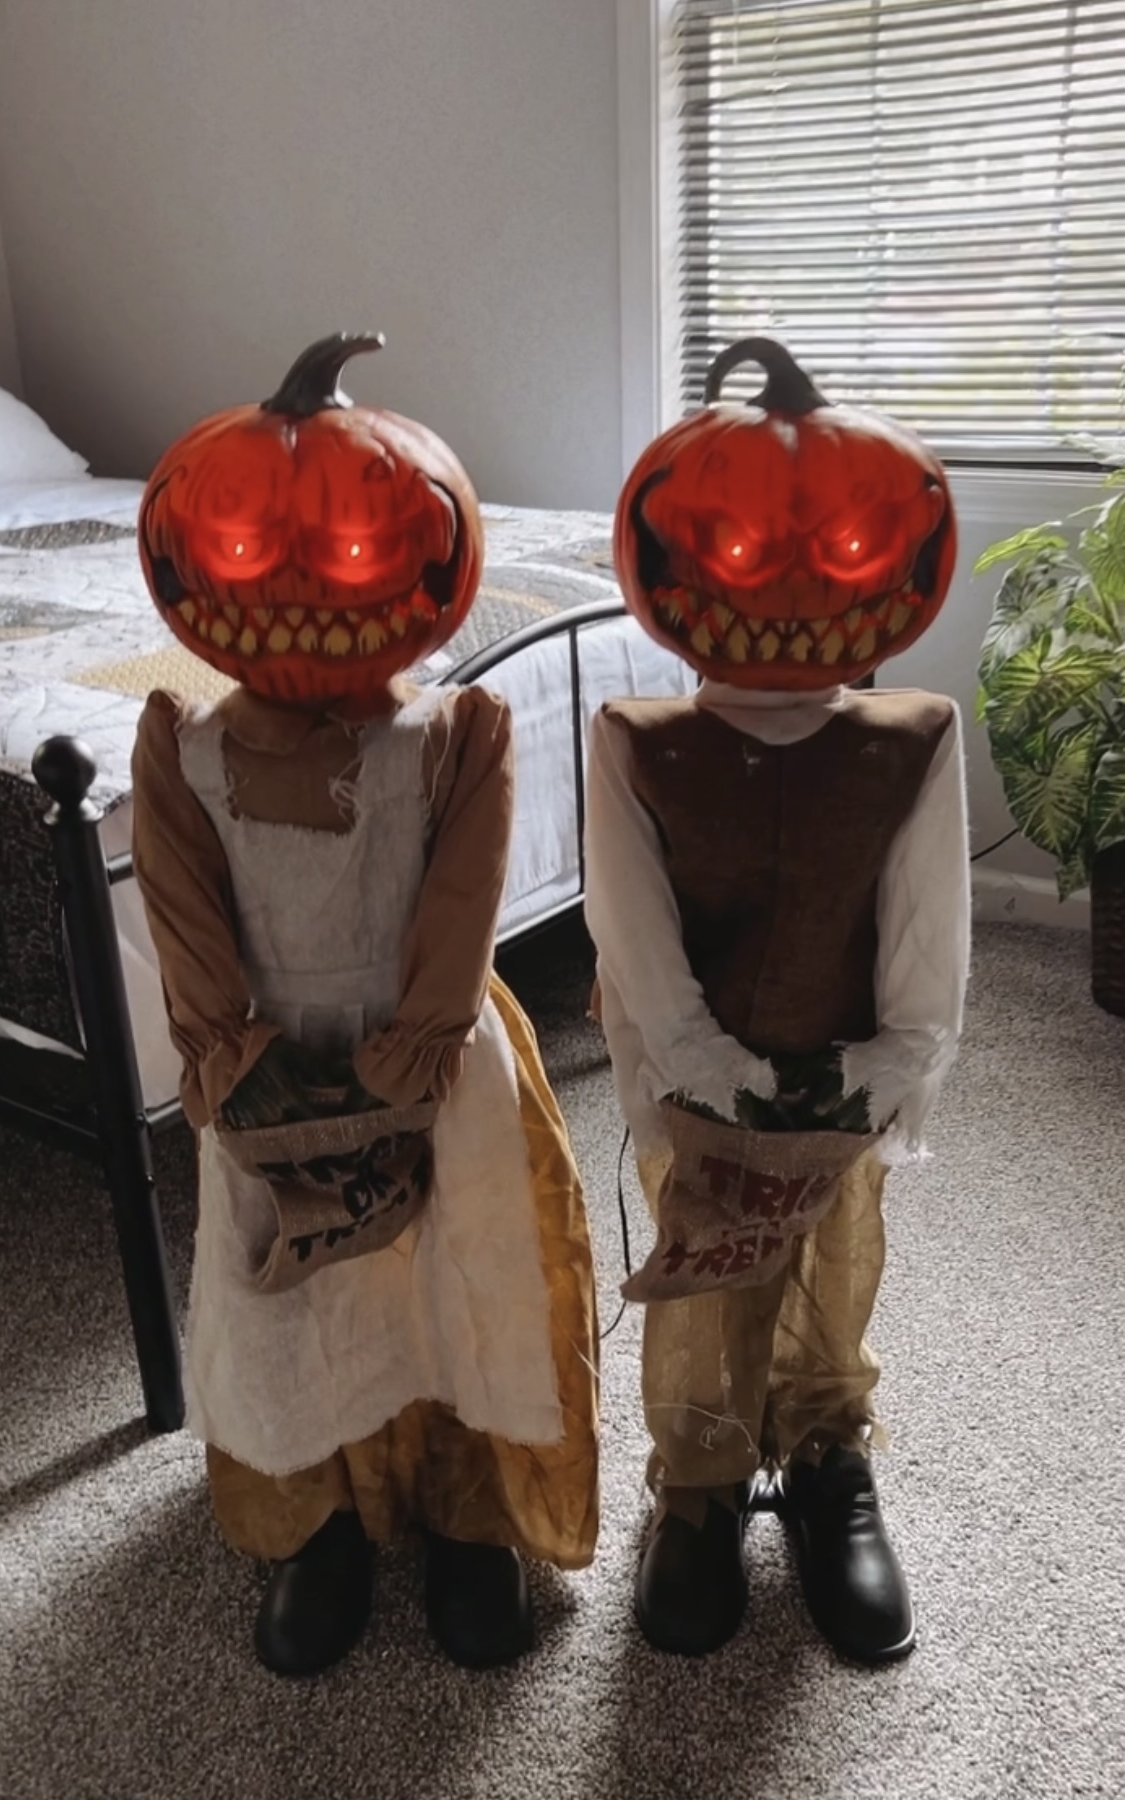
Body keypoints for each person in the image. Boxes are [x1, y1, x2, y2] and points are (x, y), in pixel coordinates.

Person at [130, 334, 598, 1676]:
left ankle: (466, 1511)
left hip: (427, 1057)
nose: (297, 591)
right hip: (268, 1064)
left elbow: (461, 902)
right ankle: (319, 1522)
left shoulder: (456, 739)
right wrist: (234, 1060)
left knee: (458, 1281)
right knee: (294, 1303)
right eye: (249, 554)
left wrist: (416, 1048)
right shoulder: (182, 752)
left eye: (340, 556)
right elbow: (184, 917)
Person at [583, 337, 969, 1663]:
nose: (794, 593)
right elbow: (633, 934)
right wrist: (704, 1068)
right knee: (704, 1278)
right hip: (699, 1091)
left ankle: (821, 1453)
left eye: (837, 558)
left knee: (829, 1256)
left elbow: (926, 922)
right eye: (752, 559)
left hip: (837, 1077)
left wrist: (890, 1063)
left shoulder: (911, 740)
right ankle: (697, 1482)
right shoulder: (638, 746)